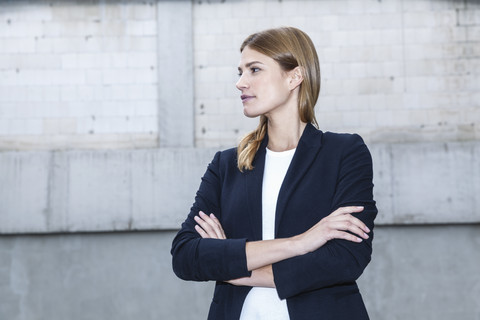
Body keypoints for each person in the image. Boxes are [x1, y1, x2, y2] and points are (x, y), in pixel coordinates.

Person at [171, 26, 377, 320]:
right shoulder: (227, 165)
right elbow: (186, 256)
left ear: (294, 76)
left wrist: (233, 267)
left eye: (254, 69)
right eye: (240, 71)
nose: (241, 83)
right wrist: (302, 242)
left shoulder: (344, 152)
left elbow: (345, 258)